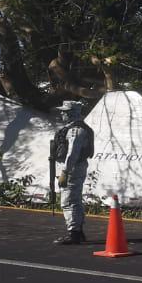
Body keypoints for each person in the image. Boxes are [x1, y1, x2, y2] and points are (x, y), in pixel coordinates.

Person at [51, 101, 94, 244]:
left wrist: (65, 171)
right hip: (74, 167)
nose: (62, 113)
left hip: (72, 168)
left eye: (65, 111)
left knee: (68, 201)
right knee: (74, 200)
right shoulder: (72, 128)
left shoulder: (76, 130)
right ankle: (78, 231)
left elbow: (72, 154)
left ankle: (74, 234)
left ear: (73, 113)